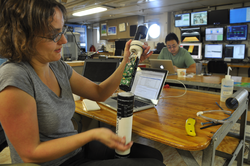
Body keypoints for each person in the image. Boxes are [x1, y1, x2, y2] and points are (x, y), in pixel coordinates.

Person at [0, 0, 165, 166]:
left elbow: (99, 93)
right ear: (23, 38)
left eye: (62, 31)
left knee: (154, 155)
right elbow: (31, 153)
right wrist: (92, 134)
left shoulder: (57, 66)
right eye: (54, 34)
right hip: (57, 163)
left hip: (76, 151)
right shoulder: (15, 76)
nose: (64, 40)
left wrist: (126, 61)